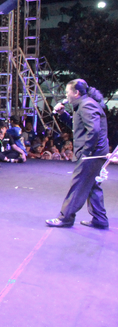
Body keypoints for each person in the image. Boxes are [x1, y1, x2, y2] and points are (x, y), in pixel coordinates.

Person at [46, 79, 110, 229]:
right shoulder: (83, 105)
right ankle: (100, 219)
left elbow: (93, 131)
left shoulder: (86, 105)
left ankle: (65, 218)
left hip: (92, 154)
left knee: (78, 185)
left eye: (68, 92)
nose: (66, 95)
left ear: (76, 93)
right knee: (92, 185)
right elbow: (78, 127)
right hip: (95, 153)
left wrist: (85, 152)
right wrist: (62, 114)